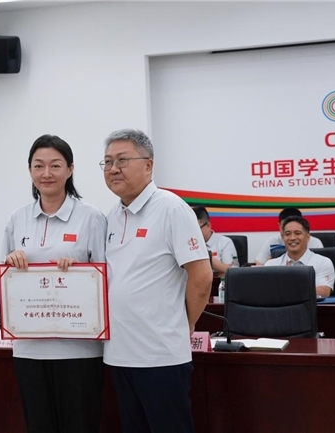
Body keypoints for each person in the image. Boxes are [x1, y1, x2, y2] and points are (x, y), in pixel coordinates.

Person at [101, 129, 213, 433]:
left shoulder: (171, 208)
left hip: (160, 356)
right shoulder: (113, 215)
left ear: (148, 165)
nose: (113, 169)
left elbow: (202, 276)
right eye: (108, 162)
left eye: (122, 160)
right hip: (119, 354)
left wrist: (185, 324)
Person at [0, 134, 107, 433]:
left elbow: (104, 280)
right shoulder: (17, 219)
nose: (46, 173)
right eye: (38, 166)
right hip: (29, 348)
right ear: (30, 170)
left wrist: (79, 272)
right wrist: (11, 262)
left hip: (79, 350)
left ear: (70, 170)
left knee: (80, 425)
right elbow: (5, 277)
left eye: (55, 165)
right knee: (39, 425)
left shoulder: (91, 218)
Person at [264, 216, 335, 297]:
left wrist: (288, 287)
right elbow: (265, 292)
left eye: (297, 233)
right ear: (283, 238)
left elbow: (324, 291)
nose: (292, 238)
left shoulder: (323, 262)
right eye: (287, 234)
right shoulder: (271, 265)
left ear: (307, 237)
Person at [255, 207, 323, 265]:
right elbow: (258, 265)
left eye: (297, 232)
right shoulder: (271, 242)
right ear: (279, 225)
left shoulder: (315, 243)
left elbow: (319, 264)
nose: (292, 238)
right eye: (287, 231)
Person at [192, 205, 237, 274]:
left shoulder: (225, 242)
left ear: (208, 225)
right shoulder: (190, 245)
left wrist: (208, 259)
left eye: (197, 229)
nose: (194, 233)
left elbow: (233, 272)